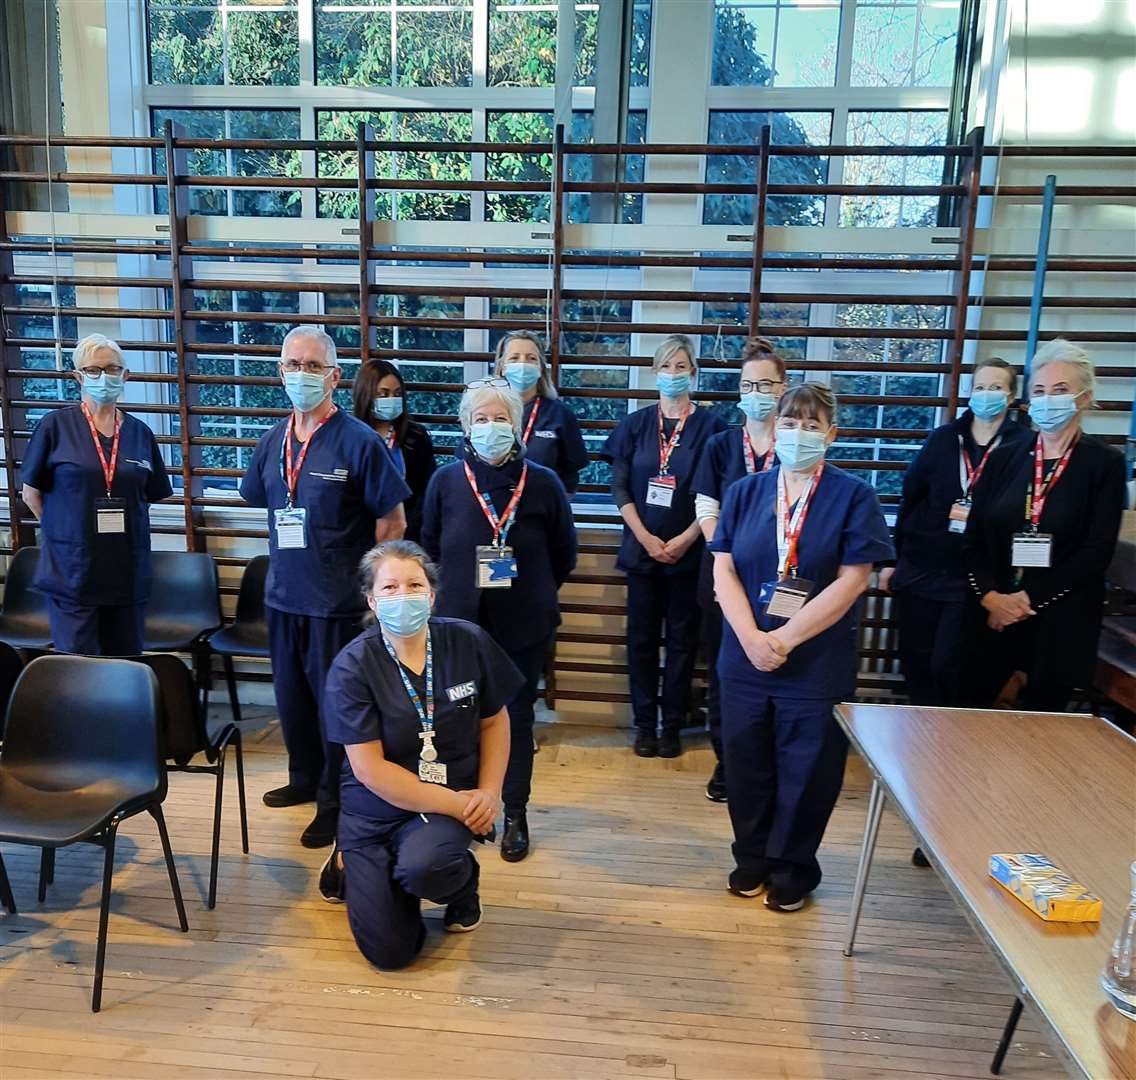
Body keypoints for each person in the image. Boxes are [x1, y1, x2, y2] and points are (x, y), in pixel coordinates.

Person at [711, 384, 893, 912]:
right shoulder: (746, 491)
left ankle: (793, 867)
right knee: (746, 764)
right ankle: (751, 857)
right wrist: (750, 638)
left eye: (812, 425)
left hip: (814, 662)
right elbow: (723, 567)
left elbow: (854, 579)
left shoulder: (854, 496)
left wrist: (785, 638)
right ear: (775, 428)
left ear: (831, 434)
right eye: (790, 423)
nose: (799, 434)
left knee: (807, 770)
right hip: (744, 658)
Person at [240, 325, 410, 849]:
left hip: (337, 605)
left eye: (313, 366)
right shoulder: (272, 442)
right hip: (284, 598)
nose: (301, 375)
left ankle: (337, 800)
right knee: (292, 702)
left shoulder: (359, 441)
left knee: (337, 708)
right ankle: (304, 779)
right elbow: (261, 502)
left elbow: (394, 523)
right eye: (293, 365)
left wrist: (367, 588)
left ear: (334, 376)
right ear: (279, 373)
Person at [319, 541, 524, 966]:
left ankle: (462, 888)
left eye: (414, 585)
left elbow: (495, 721)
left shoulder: (467, 640)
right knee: (391, 955)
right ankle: (351, 859)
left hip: (450, 791)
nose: (403, 596)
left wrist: (488, 793)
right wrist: (462, 806)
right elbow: (370, 769)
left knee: (425, 866)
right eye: (390, 588)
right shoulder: (352, 666)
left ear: (431, 595)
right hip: (375, 805)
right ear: (373, 601)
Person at [420, 379, 576, 861]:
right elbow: (428, 547)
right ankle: (463, 810)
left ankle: (515, 812)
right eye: (481, 419)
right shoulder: (445, 481)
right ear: (466, 426)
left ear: (517, 424)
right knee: (456, 720)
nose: (491, 427)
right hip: (458, 625)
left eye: (501, 417)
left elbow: (563, 554)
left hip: (522, 624)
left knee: (516, 719)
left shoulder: (544, 483)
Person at [961, 340, 1127, 712]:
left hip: (1059, 623)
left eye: (1060, 390)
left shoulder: (1104, 465)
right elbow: (974, 540)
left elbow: (1095, 553)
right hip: (993, 616)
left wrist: (1026, 600)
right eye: (1039, 390)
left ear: (1084, 398)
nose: (1048, 399)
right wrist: (991, 597)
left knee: (1039, 735)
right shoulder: (1004, 457)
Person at [601, 334, 727, 758]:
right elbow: (619, 486)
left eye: (682, 366)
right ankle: (644, 724)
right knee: (640, 641)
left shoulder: (713, 427)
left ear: (694, 372)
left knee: (682, 643)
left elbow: (719, 490)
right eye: (666, 367)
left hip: (690, 552)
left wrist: (688, 536)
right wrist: (645, 536)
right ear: (654, 373)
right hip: (642, 552)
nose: (674, 374)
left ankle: (672, 723)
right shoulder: (636, 425)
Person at [880, 358, 1031, 708]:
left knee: (949, 666)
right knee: (916, 663)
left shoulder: (1024, 446)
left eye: (996, 387)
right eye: (980, 387)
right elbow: (911, 498)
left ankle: (948, 742)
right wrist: (894, 559)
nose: (986, 394)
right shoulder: (944, 438)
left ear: (1010, 397)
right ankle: (919, 740)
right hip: (921, 568)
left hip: (973, 580)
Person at [20, 334, 172, 655]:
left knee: (126, 668)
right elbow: (31, 494)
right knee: (78, 673)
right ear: (78, 377)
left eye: (112, 369)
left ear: (125, 376)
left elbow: (151, 493)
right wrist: (64, 531)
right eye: (93, 370)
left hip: (125, 573)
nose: (104, 377)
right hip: (73, 574)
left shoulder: (139, 433)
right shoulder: (55, 427)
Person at [693, 337, 787, 801]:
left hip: (785, 583)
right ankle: (728, 765)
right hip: (725, 577)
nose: (756, 393)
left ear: (783, 387)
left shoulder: (796, 443)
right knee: (726, 673)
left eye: (766, 384)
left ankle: (769, 765)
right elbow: (705, 508)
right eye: (748, 385)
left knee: (775, 666)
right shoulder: (720, 445)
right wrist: (727, 557)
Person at [493, 330, 588, 496]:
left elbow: (571, 477)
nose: (523, 364)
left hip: (542, 513)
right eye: (514, 358)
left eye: (531, 358)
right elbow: (466, 463)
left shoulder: (560, 415)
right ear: (501, 367)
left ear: (540, 368)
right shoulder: (484, 412)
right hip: (490, 512)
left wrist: (555, 511)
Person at [351, 359, 436, 542]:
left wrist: (408, 530)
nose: (392, 400)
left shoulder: (416, 437)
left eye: (397, 394)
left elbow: (427, 490)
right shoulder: (352, 436)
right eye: (383, 394)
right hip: (361, 536)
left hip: (409, 536)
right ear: (366, 395)